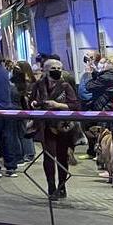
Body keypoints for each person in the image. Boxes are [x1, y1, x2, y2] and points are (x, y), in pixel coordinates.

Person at [29, 56, 80, 200]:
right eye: (53, 69)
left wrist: (57, 105)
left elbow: (75, 105)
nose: (57, 71)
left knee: (62, 157)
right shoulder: (38, 85)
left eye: (59, 69)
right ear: (45, 71)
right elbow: (31, 101)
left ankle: (62, 186)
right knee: (49, 156)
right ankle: (51, 186)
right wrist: (33, 103)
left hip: (63, 126)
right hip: (45, 125)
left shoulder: (65, 86)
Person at [12, 60, 37, 161]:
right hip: (24, 109)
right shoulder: (29, 81)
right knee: (22, 131)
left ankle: (29, 153)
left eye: (17, 67)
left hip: (26, 109)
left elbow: (28, 96)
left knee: (25, 131)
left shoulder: (28, 82)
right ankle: (26, 153)